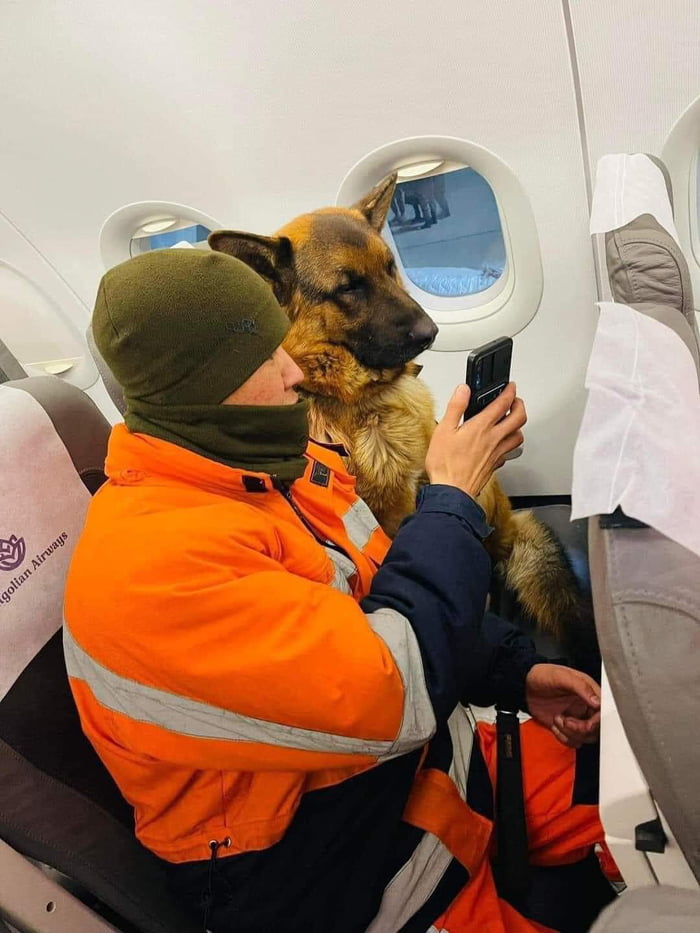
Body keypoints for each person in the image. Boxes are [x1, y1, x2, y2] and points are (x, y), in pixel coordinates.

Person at [64, 248, 609, 933]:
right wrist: (451, 501)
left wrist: (515, 670)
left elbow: (382, 598)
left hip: (422, 763)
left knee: (636, 799)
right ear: (200, 387)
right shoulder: (151, 570)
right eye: (263, 358)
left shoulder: (274, 473)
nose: (295, 369)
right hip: (336, 868)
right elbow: (393, 691)